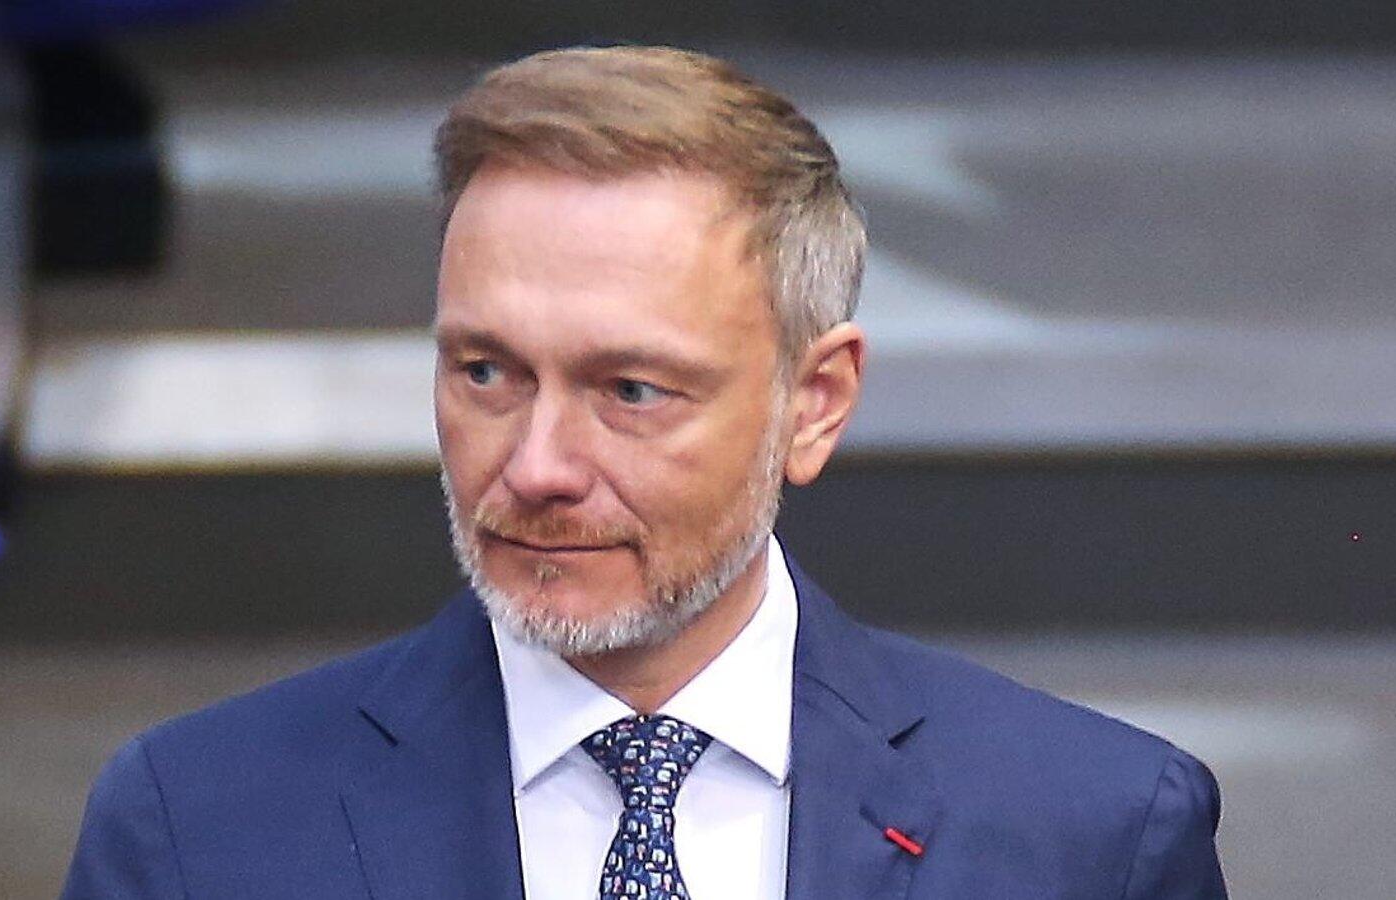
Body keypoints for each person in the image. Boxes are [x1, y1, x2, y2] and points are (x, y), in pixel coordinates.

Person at [61, 46, 1228, 899]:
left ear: (814, 403)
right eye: (485, 372)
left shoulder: (1089, 836)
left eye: (630, 390)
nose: (536, 466)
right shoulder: (197, 829)